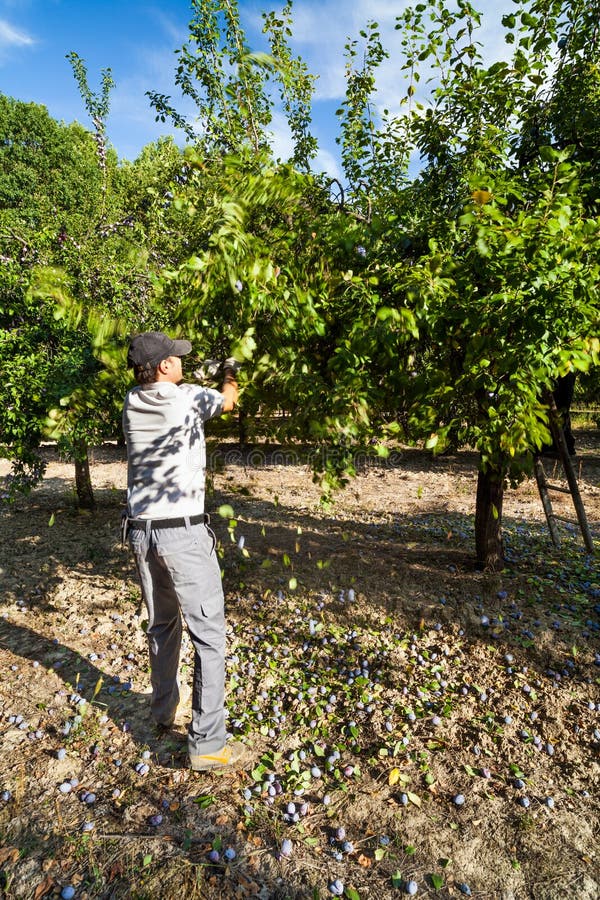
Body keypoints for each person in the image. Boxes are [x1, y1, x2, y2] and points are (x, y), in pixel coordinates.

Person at [121, 331, 245, 771]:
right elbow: (228, 401)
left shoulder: (131, 404)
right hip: (183, 536)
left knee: (162, 626)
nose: (180, 361)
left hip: (141, 534)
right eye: (175, 357)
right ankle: (208, 744)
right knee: (209, 637)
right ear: (164, 368)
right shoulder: (187, 398)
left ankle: (161, 711)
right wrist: (229, 369)